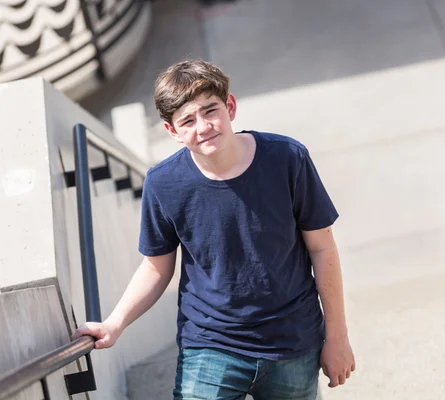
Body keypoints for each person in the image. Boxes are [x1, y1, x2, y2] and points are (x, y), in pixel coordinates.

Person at [73, 59, 355, 400]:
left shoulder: (286, 158)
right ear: (172, 132)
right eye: (188, 121)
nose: (203, 126)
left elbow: (322, 248)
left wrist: (337, 338)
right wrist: (114, 323)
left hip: (292, 339)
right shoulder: (164, 184)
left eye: (210, 110)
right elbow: (156, 268)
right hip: (210, 343)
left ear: (230, 107)